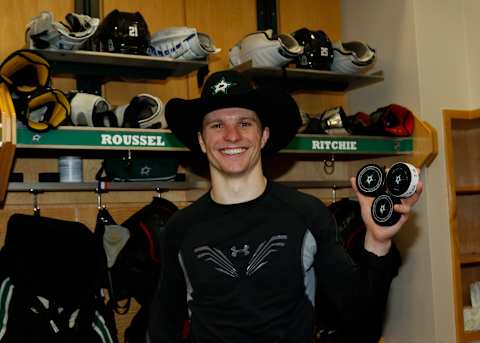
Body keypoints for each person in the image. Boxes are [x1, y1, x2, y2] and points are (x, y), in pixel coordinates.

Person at [146, 70, 423, 343]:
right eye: (217, 125)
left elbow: (360, 320)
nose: (232, 136)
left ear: (263, 136)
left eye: (244, 123)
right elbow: (163, 328)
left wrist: (377, 242)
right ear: (201, 141)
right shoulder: (180, 229)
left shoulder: (307, 215)